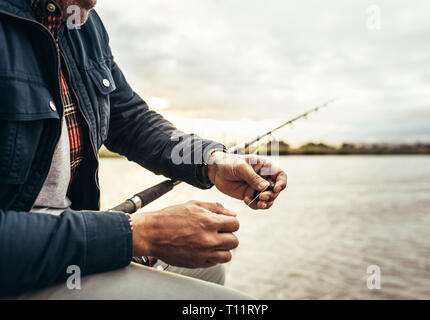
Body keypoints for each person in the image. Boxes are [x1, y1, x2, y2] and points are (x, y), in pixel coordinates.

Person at [0, 0, 287, 299]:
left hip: (67, 243)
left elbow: (129, 119)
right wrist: (139, 233)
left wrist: (211, 161)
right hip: (19, 263)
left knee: (209, 268)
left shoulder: (85, 25)